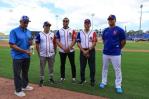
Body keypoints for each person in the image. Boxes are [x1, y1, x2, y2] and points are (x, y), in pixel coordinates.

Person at [99, 15, 126, 94]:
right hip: (106, 53)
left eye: (111, 19)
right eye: (109, 19)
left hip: (116, 54)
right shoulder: (105, 30)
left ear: (115, 20)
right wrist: (107, 46)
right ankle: (104, 82)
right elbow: (104, 40)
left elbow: (123, 41)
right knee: (104, 68)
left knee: (117, 69)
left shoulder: (120, 30)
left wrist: (119, 48)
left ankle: (118, 85)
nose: (110, 20)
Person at [9, 15, 33, 97]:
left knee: (25, 72)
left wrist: (30, 43)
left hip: (26, 56)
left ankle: (24, 86)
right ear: (20, 22)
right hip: (17, 56)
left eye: (27, 22)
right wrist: (24, 51)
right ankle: (18, 90)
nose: (26, 24)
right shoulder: (14, 31)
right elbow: (12, 45)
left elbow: (30, 42)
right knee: (17, 74)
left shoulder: (29, 31)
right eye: (24, 22)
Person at [76, 19, 97, 86]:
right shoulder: (80, 32)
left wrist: (87, 51)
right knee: (82, 67)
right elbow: (78, 43)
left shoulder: (93, 32)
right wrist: (83, 51)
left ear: (90, 24)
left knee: (92, 67)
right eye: (86, 23)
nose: (87, 25)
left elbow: (94, 43)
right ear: (84, 24)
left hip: (91, 51)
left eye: (88, 23)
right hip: (82, 50)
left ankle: (92, 80)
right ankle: (82, 80)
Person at [35, 21, 56, 87]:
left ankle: (51, 78)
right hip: (42, 54)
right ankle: (41, 79)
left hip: (51, 54)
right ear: (43, 26)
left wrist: (54, 52)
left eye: (49, 26)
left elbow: (55, 43)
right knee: (42, 68)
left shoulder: (52, 34)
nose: (47, 27)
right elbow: (37, 45)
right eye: (46, 26)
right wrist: (39, 53)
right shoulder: (40, 34)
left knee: (51, 67)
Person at [56, 17, 77, 83]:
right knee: (62, 64)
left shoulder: (72, 30)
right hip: (62, 51)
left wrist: (69, 47)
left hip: (71, 50)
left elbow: (74, 40)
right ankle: (62, 77)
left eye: (66, 21)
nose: (65, 22)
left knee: (72, 64)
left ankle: (73, 78)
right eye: (64, 21)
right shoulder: (59, 31)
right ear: (62, 22)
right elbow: (57, 41)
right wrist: (63, 48)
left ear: (68, 22)